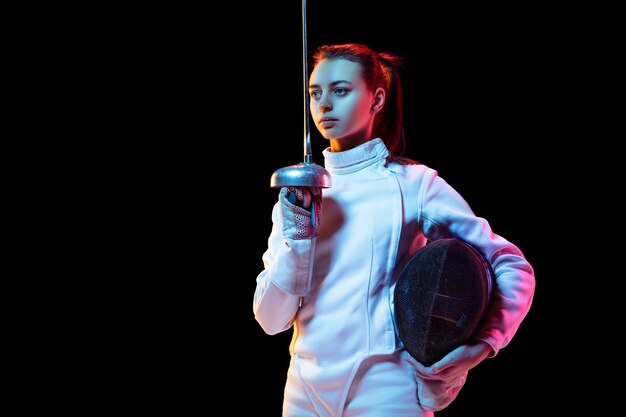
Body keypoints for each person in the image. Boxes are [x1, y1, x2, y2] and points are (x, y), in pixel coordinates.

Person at [253, 43, 535, 416]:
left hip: (386, 387)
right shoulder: (298, 197)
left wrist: (484, 343)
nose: (323, 104)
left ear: (377, 99)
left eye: (340, 90)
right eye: (315, 93)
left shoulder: (412, 184)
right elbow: (271, 320)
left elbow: (510, 265)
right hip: (305, 389)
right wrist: (298, 239)